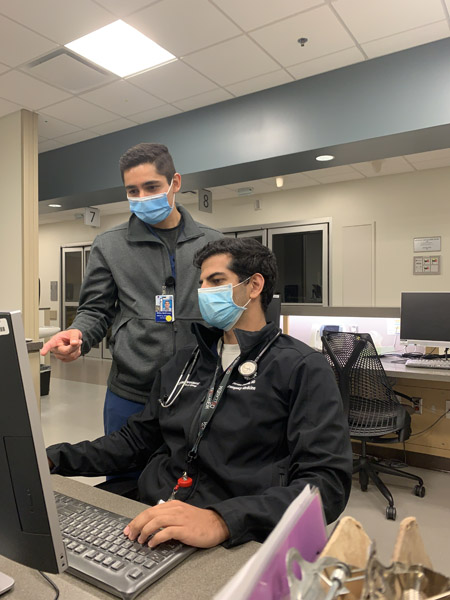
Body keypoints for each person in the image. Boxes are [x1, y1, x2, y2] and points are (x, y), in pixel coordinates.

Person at [47, 238, 353, 549]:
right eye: (202, 283)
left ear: (255, 286)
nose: (205, 291)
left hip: (234, 534)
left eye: (217, 281)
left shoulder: (302, 368)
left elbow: (326, 485)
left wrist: (223, 519)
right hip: (154, 513)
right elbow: (136, 441)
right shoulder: (185, 361)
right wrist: (53, 459)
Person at [41, 143, 222, 435]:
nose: (142, 197)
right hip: (130, 393)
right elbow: (95, 310)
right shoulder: (110, 244)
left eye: (151, 187)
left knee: (196, 477)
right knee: (124, 478)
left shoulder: (213, 243)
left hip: (199, 387)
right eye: (132, 191)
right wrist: (80, 334)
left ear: (175, 182)